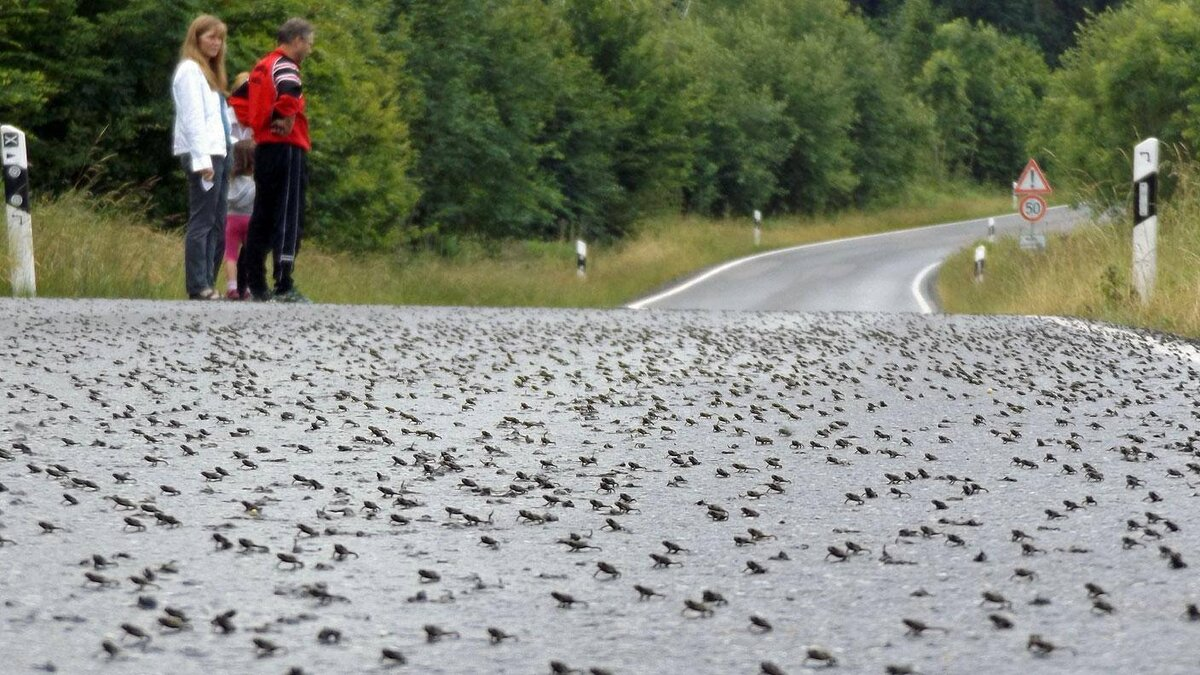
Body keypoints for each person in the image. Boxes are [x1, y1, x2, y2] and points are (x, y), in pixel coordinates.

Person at [241, 18, 315, 303]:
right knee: (288, 213)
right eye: (308, 42)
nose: (309, 48)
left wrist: (258, 124)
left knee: (263, 213)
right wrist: (283, 115)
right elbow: (289, 93)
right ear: (296, 39)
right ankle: (284, 282)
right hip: (287, 146)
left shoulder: (261, 66)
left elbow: (238, 100)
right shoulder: (285, 65)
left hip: (265, 148)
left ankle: (255, 282)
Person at [172, 14, 233, 300]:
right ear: (196, 38)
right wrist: (202, 160)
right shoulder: (189, 71)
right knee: (203, 221)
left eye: (219, 38)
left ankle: (208, 278)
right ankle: (198, 283)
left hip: (219, 152)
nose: (216, 43)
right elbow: (193, 119)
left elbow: (218, 120)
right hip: (203, 154)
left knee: (218, 222)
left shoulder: (210, 74)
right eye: (210, 37)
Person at [223, 141, 255, 299]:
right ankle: (247, 287)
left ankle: (232, 287)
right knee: (250, 255)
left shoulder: (231, 180)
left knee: (230, 255)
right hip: (251, 220)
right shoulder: (255, 182)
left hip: (232, 219)